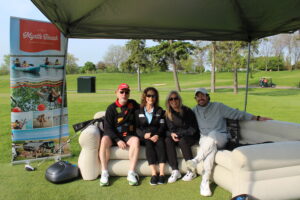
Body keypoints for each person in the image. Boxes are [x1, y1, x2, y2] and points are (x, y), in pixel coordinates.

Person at [187, 88, 272, 197]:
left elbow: (237, 114)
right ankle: (204, 181)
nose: (200, 98)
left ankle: (196, 160)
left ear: (208, 96)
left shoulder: (218, 107)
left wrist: (257, 117)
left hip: (220, 137)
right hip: (205, 141)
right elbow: (183, 119)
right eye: (197, 96)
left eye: (202, 95)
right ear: (195, 99)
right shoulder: (194, 111)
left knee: (212, 134)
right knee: (211, 150)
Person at [99, 83, 140, 186]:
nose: (124, 94)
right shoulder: (111, 108)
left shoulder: (133, 104)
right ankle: (104, 172)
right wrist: (117, 140)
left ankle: (131, 173)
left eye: (127, 92)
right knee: (104, 140)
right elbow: (108, 128)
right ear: (116, 93)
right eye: (121, 92)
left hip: (128, 135)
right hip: (114, 136)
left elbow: (144, 110)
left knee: (136, 140)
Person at [164, 91, 200, 183]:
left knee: (182, 141)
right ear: (168, 101)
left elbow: (193, 129)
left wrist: (180, 134)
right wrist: (171, 134)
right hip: (176, 136)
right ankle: (175, 170)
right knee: (168, 140)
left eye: (175, 98)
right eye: (171, 99)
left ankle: (191, 171)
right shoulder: (168, 114)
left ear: (179, 99)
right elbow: (166, 130)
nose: (173, 100)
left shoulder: (187, 111)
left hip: (190, 136)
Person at [135, 87, 167, 185]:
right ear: (145, 97)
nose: (151, 98)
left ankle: (161, 174)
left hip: (157, 135)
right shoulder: (138, 111)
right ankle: (154, 174)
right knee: (149, 145)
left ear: (156, 98)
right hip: (145, 138)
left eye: (153, 96)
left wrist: (156, 135)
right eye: (149, 95)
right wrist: (143, 135)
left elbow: (162, 126)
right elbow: (136, 128)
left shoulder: (159, 111)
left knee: (161, 143)